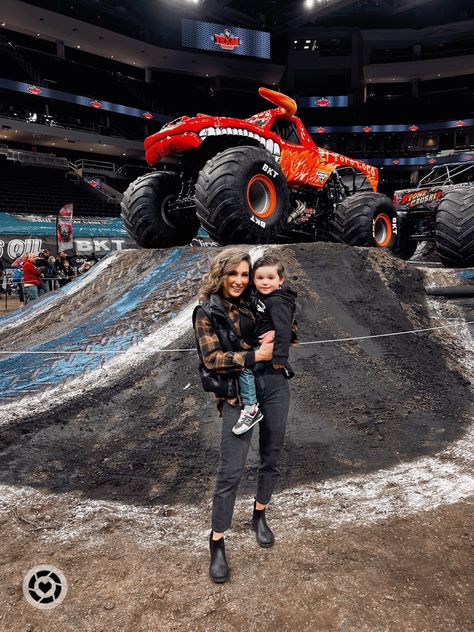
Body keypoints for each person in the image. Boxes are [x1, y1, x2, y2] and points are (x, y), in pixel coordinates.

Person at [193, 247, 292, 584]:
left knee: (271, 456)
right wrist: (255, 355)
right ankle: (217, 541)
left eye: (243, 274)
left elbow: (292, 327)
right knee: (230, 470)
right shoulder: (206, 312)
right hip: (238, 394)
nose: (239, 280)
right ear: (219, 275)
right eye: (232, 274)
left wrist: (282, 333)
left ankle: (259, 515)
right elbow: (212, 359)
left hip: (275, 384)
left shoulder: (259, 298)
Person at [232, 254, 297, 436]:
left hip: (269, 350)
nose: (265, 282)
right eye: (260, 278)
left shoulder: (278, 302)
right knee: (245, 364)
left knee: (244, 366)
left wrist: (280, 357)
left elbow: (283, 330)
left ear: (281, 280)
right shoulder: (264, 296)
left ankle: (251, 408)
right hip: (260, 345)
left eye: (270, 278)